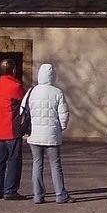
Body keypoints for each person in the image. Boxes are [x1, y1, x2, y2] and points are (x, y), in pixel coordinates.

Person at [27, 63, 75, 204]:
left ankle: (38, 195)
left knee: (37, 164)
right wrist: (61, 128)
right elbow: (63, 115)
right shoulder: (57, 92)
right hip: (52, 135)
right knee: (55, 165)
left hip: (35, 134)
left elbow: (25, 111)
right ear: (53, 76)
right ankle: (60, 194)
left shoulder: (32, 92)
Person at [0, 58, 27, 200]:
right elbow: (25, 102)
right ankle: (10, 190)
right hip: (11, 128)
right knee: (14, 162)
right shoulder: (15, 86)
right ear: (13, 70)